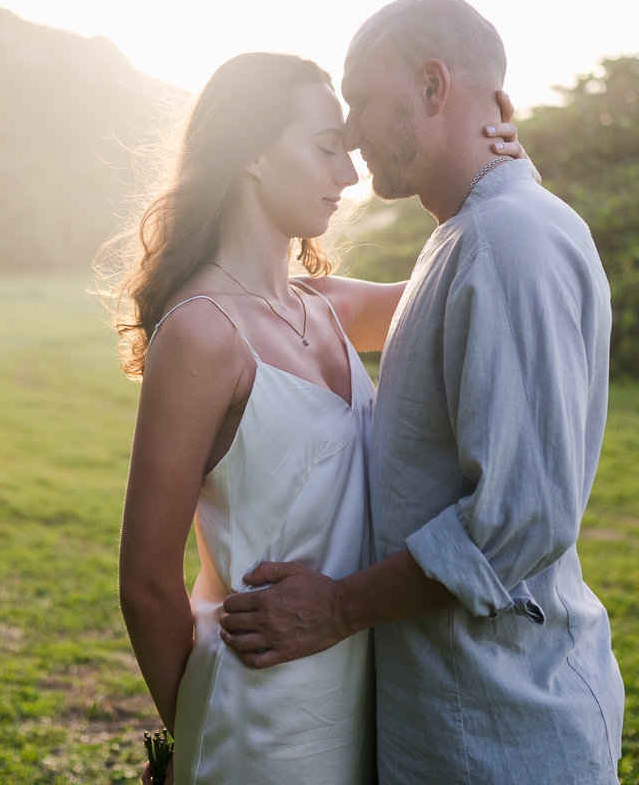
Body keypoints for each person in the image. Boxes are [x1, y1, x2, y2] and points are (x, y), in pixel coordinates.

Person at [218, 0, 626, 785]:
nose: (356, 130)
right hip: (452, 724)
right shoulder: (472, 234)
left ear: (434, 88)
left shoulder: (508, 241)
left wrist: (336, 608)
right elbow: (338, 308)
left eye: (364, 100)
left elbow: (518, 520)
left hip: (504, 735)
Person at [109, 50, 525, 784]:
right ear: (250, 156)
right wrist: (197, 735)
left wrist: (502, 168)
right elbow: (146, 581)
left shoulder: (326, 307)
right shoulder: (204, 333)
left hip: (363, 703)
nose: (349, 176)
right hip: (258, 722)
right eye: (328, 149)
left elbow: (478, 271)